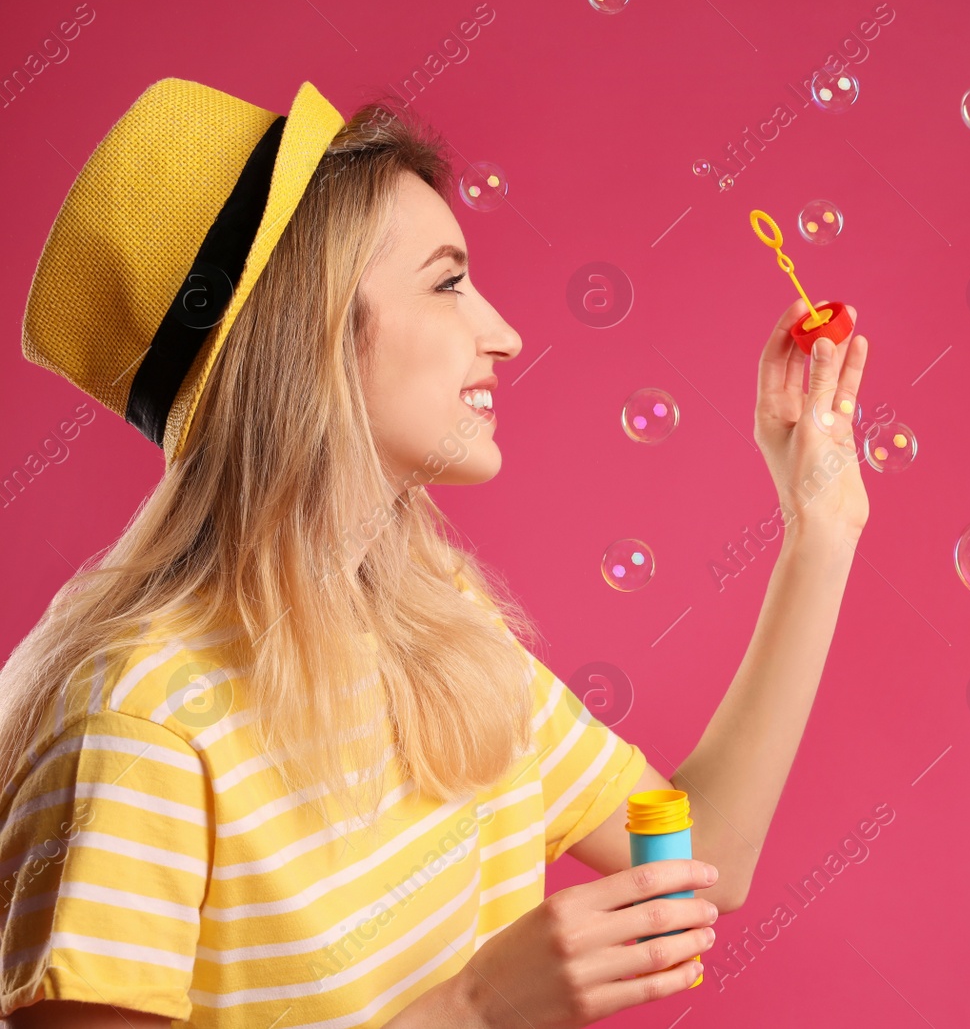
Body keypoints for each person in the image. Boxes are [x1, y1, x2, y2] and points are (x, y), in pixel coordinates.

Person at [0, 77, 869, 1027]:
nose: (504, 334)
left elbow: (703, 861)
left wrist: (818, 525)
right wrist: (471, 1011)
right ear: (311, 334)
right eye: (449, 282)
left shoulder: (433, 617)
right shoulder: (139, 720)